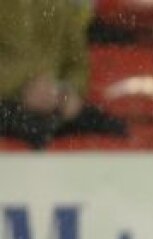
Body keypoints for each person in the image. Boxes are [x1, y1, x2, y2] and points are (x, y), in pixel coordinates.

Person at [0, 0, 126, 148]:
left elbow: (77, 65)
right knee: (36, 129)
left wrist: (66, 92)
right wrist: (23, 90)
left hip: (53, 102)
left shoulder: (60, 5)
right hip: (8, 103)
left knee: (114, 128)